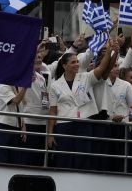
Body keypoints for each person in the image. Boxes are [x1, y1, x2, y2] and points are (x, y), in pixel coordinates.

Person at [47, 40, 114, 170]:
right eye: (73, 62)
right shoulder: (55, 85)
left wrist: (110, 51)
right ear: (64, 65)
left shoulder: (85, 77)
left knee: (83, 158)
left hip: (84, 123)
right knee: (64, 159)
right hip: (64, 125)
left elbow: (102, 68)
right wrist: (50, 134)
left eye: (77, 61)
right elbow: (53, 111)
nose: (76, 64)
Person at [21, 53, 49, 166]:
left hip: (42, 123)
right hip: (28, 123)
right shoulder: (22, 74)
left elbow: (45, 100)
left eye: (40, 57)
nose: (39, 59)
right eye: (36, 57)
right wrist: (22, 122)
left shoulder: (42, 78)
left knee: (39, 159)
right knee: (28, 159)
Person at [0, 83, 27, 164]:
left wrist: (23, 124)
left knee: (14, 161)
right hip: (3, 127)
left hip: (16, 127)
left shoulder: (16, 87)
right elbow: (16, 100)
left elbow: (20, 108)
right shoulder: (3, 86)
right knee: (0, 161)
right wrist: (25, 86)